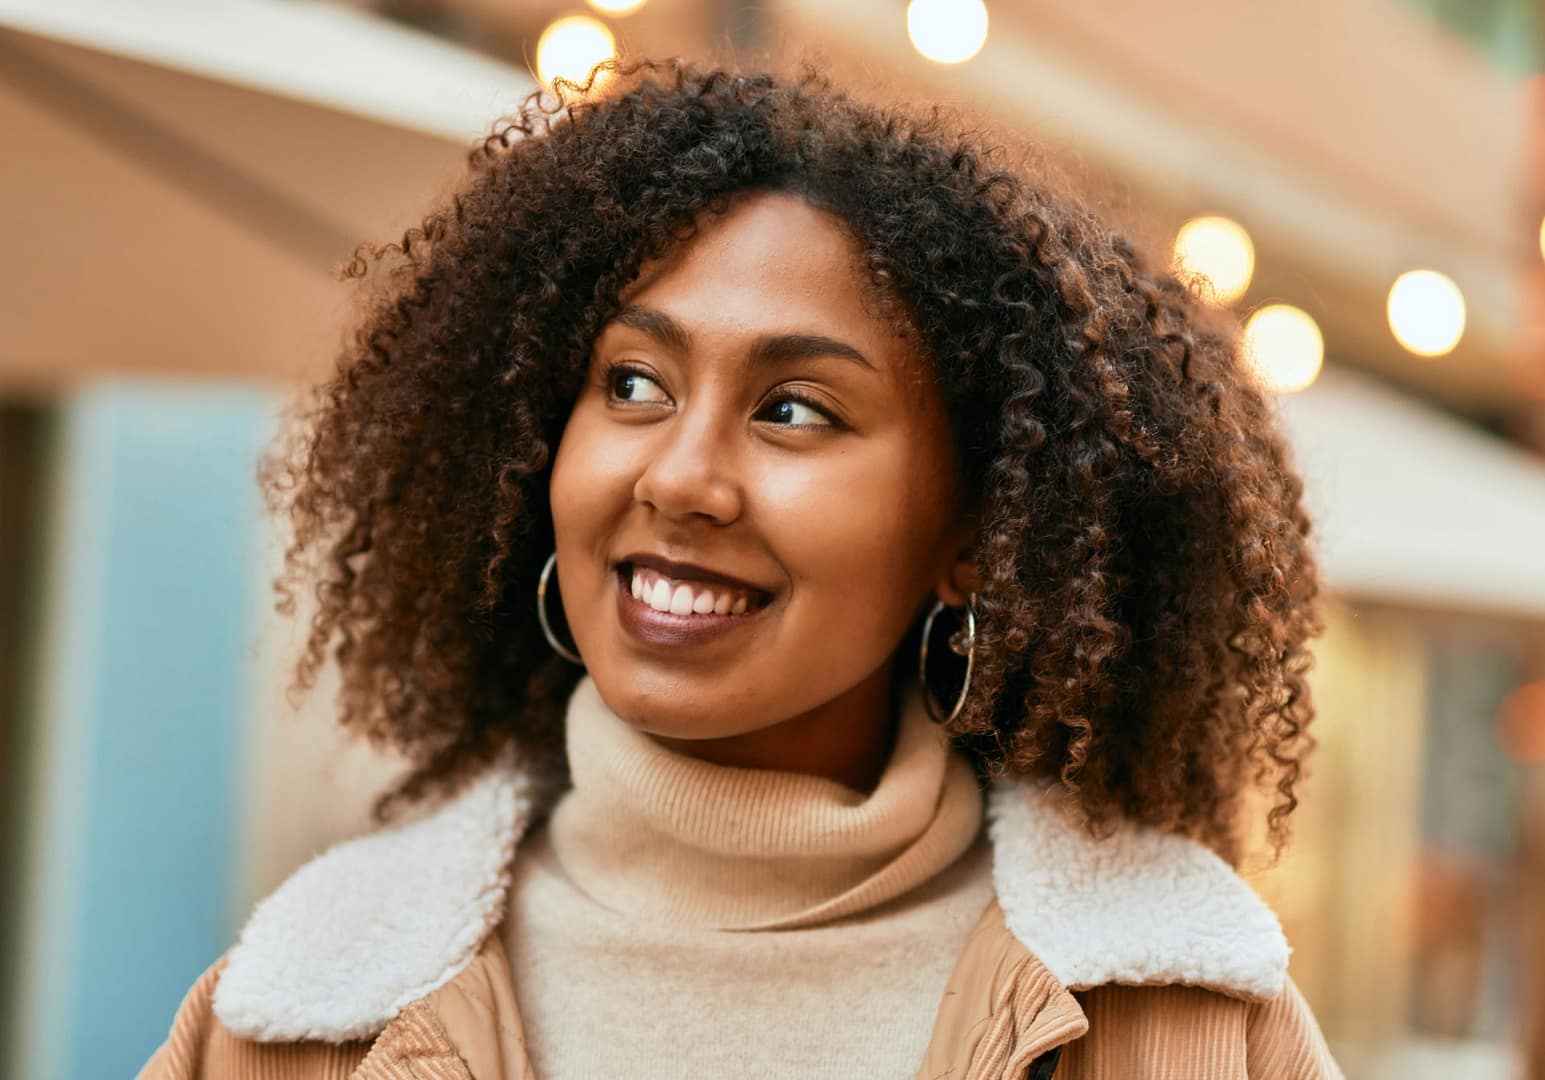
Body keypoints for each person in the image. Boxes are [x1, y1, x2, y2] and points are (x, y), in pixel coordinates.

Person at [139, 57, 1342, 1078]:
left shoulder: (1191, 1023)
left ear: (977, 535)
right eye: (633, 385)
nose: (678, 477)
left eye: (798, 411)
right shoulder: (284, 1026)